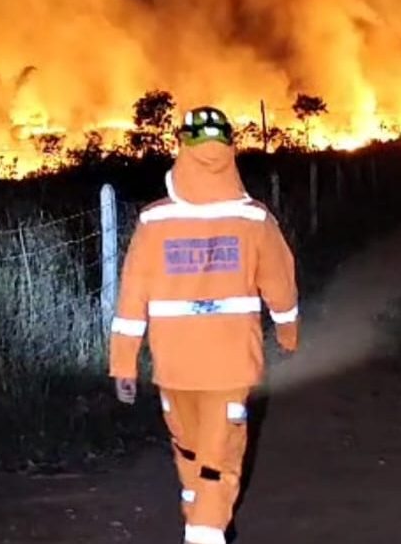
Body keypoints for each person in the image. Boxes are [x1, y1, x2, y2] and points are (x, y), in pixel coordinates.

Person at [108, 106, 299, 544]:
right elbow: (281, 284)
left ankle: (201, 528)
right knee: (218, 459)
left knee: (192, 454)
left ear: (182, 147)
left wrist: (123, 364)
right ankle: (205, 531)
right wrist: (288, 335)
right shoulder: (253, 219)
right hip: (230, 366)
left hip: (174, 368)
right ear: (230, 148)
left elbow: (131, 297)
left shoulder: (154, 220)